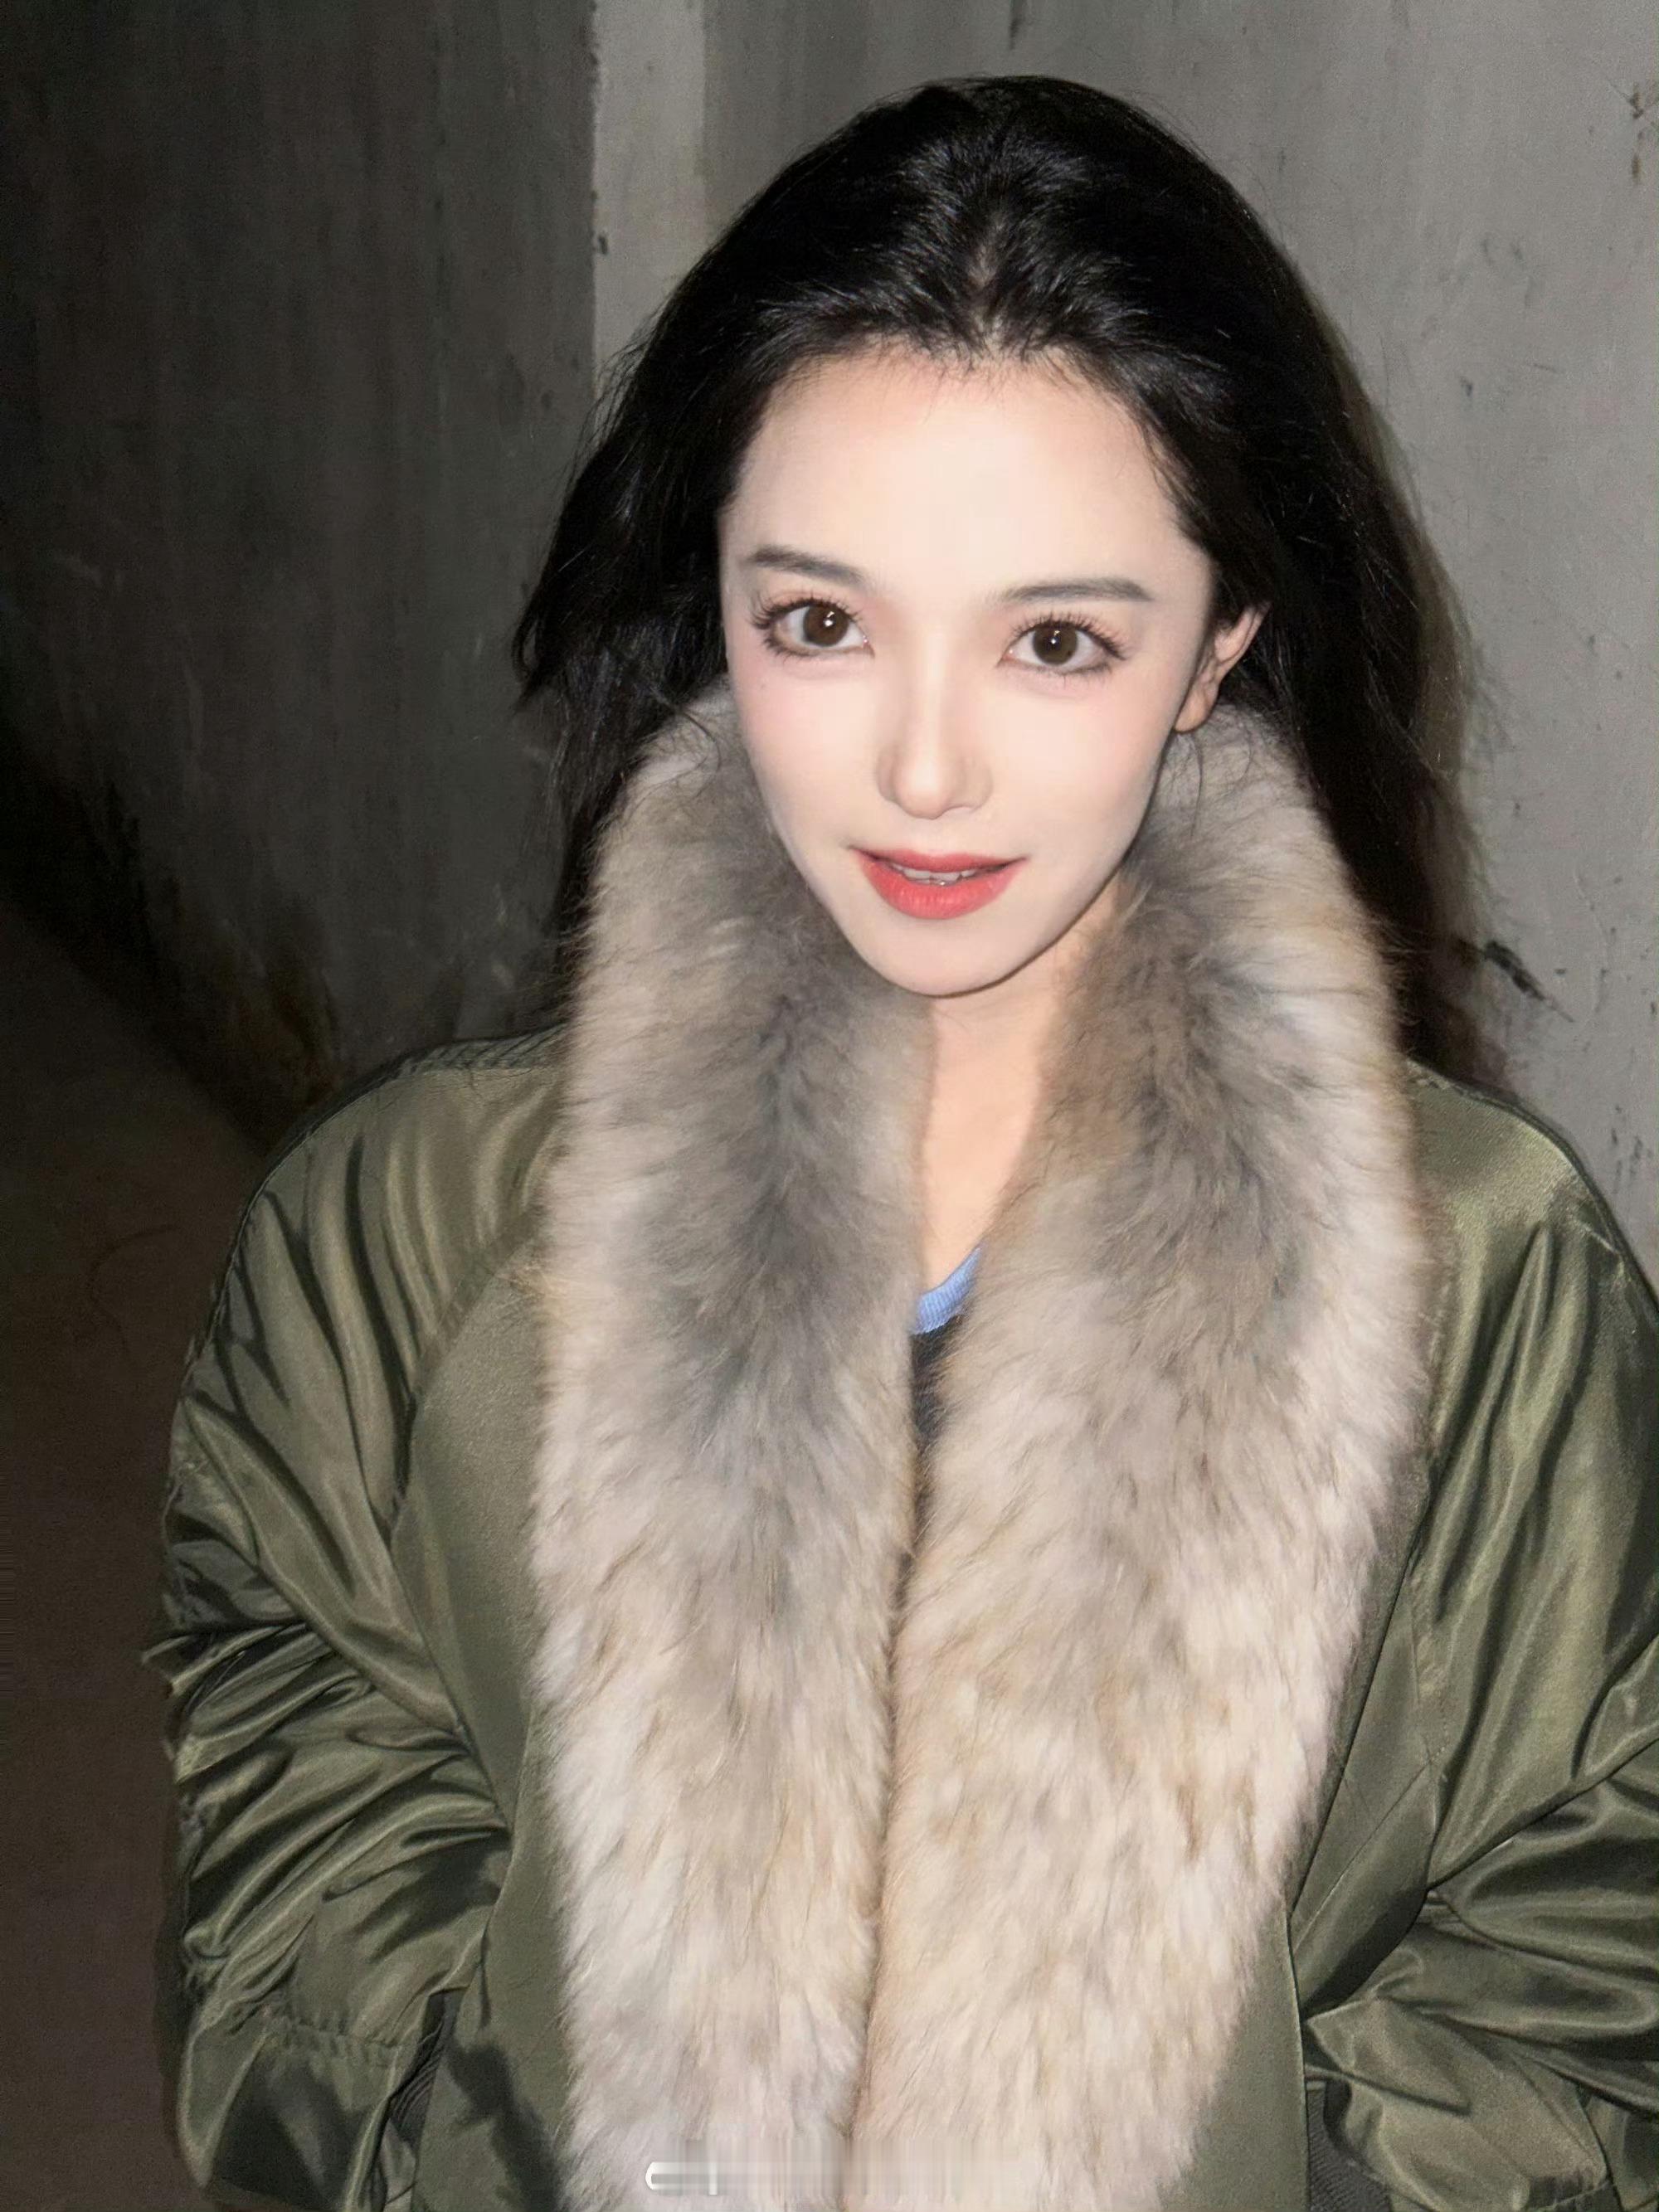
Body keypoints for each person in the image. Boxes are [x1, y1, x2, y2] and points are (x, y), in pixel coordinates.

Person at [144, 75, 1657, 2212]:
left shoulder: (1490, 1281)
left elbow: (1576, 1983)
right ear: (716, 602)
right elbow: (296, 1929)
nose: (924, 768)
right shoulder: (392, 1245)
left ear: (1219, 645)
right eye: (822, 622)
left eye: (1057, 641)